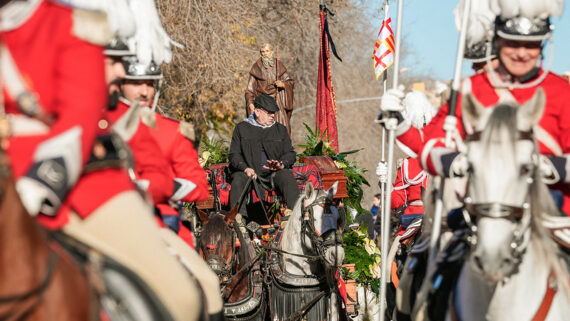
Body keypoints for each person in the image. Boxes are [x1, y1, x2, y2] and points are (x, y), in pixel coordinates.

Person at [1, 0, 205, 319]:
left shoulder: (71, 24)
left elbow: (79, 117)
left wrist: (35, 186)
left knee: (181, 297)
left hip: (78, 191)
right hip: (6, 187)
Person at [380, 5, 570, 216]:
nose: (521, 53)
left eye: (531, 45)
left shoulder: (563, 92)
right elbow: (432, 145)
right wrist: (400, 123)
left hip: (550, 214)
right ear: (499, 42)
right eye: (512, 44)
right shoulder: (470, 90)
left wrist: (549, 167)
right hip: (481, 210)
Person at [117, 55, 224, 319]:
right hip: (109, 215)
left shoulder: (171, 130)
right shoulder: (100, 120)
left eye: (149, 83)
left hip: (160, 224)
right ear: (120, 83)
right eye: (136, 82)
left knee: (208, 285)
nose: (144, 91)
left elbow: (199, 187)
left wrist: (160, 186)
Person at [229, 94, 299, 222]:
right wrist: (245, 168)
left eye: (274, 112)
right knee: (238, 178)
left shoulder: (280, 129)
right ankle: (239, 220)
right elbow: (234, 154)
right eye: (269, 112)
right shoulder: (241, 128)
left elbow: (290, 153)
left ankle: (297, 215)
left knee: (286, 175)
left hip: (273, 174)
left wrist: (281, 164)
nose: (273, 115)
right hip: (249, 173)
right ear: (257, 111)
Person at [245, 43, 295, 134]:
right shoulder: (256, 67)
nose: (265, 54)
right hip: (262, 104)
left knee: (282, 131)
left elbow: (290, 82)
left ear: (271, 52)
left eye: (267, 51)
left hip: (277, 103)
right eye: (262, 52)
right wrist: (250, 104)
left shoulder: (279, 65)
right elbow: (249, 90)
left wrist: (283, 84)